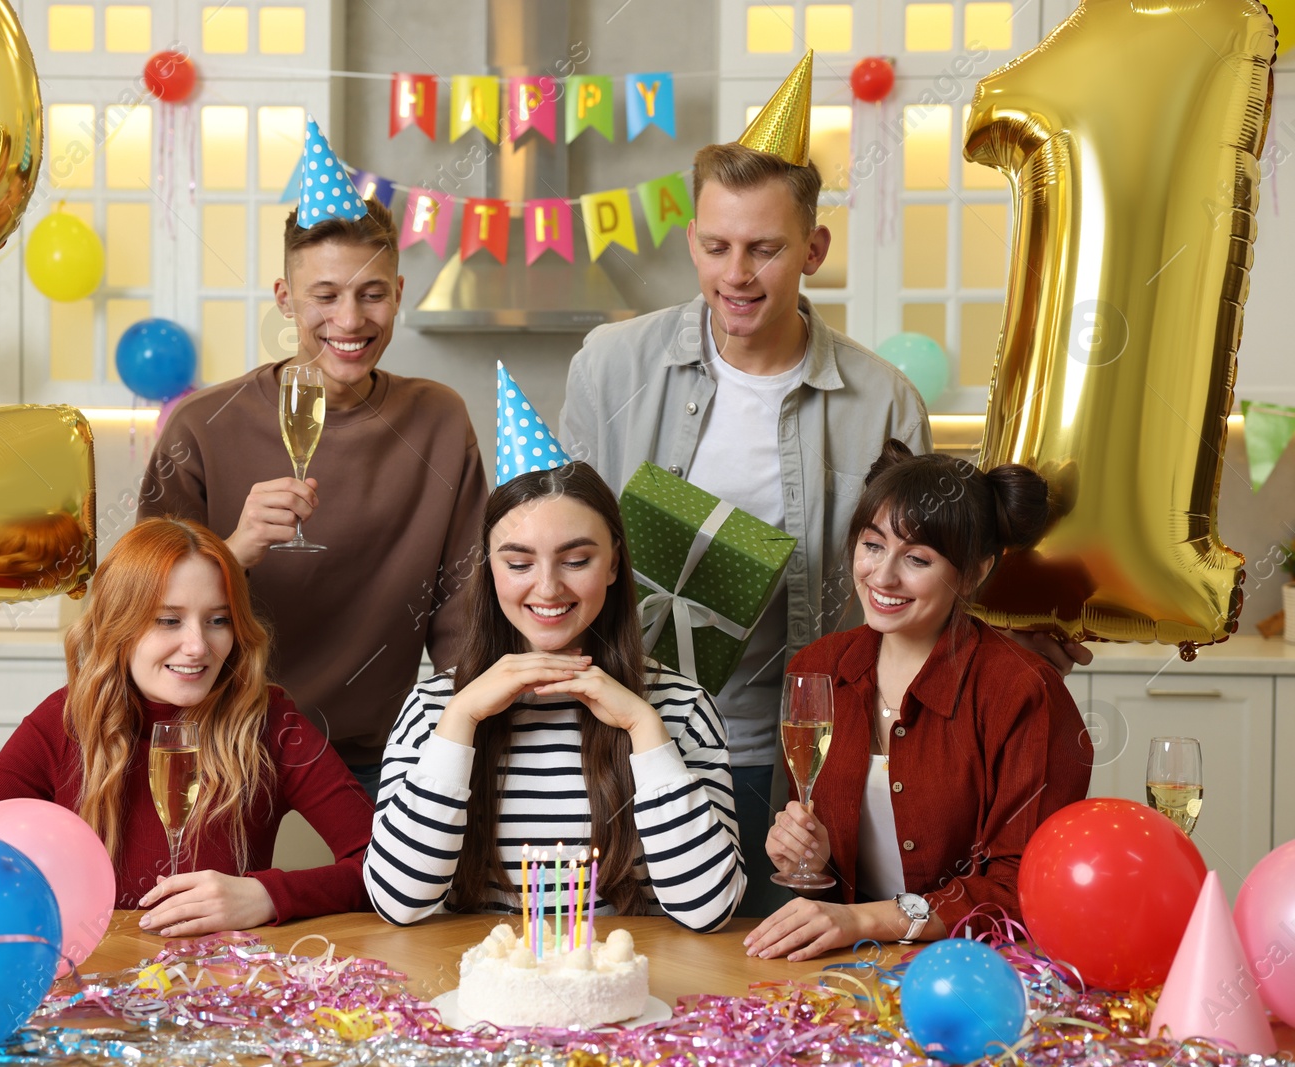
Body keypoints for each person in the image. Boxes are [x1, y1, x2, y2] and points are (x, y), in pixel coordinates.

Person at [559, 56, 1088, 915]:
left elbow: (926, 563)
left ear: (813, 248)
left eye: (765, 249)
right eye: (718, 246)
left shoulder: (884, 397)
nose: (737, 273)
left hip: (804, 742)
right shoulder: (612, 364)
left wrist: (1009, 639)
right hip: (634, 728)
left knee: (785, 972)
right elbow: (564, 543)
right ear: (692, 240)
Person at [0, 517, 373, 936]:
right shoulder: (65, 721)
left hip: (218, 988)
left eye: (218, 619)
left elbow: (383, 869)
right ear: (120, 627)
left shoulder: (270, 722)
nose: (198, 645)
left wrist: (265, 896)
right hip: (91, 989)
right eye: (168, 620)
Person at [138, 191, 486, 801]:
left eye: (371, 293)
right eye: (325, 296)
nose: (349, 321)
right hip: (227, 754)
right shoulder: (202, 424)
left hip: (381, 764)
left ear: (399, 293)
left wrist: (468, 744)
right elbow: (142, 610)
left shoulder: (440, 420)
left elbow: (464, 609)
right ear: (285, 298)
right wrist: (235, 549)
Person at [743, 440, 1092, 961]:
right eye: (873, 545)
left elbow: (1021, 885)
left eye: (918, 558)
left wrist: (863, 918)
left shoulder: (1025, 692)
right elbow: (836, 876)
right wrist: (813, 861)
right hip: (848, 965)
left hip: (979, 969)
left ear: (974, 572)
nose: (883, 577)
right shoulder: (817, 669)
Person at [365, 461, 744, 932]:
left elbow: (707, 910)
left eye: (576, 560)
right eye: (519, 563)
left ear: (613, 564)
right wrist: (460, 719)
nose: (547, 587)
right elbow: (399, 902)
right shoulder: (434, 708)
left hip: (628, 991)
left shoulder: (681, 708)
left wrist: (645, 728)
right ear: (490, 569)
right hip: (475, 989)